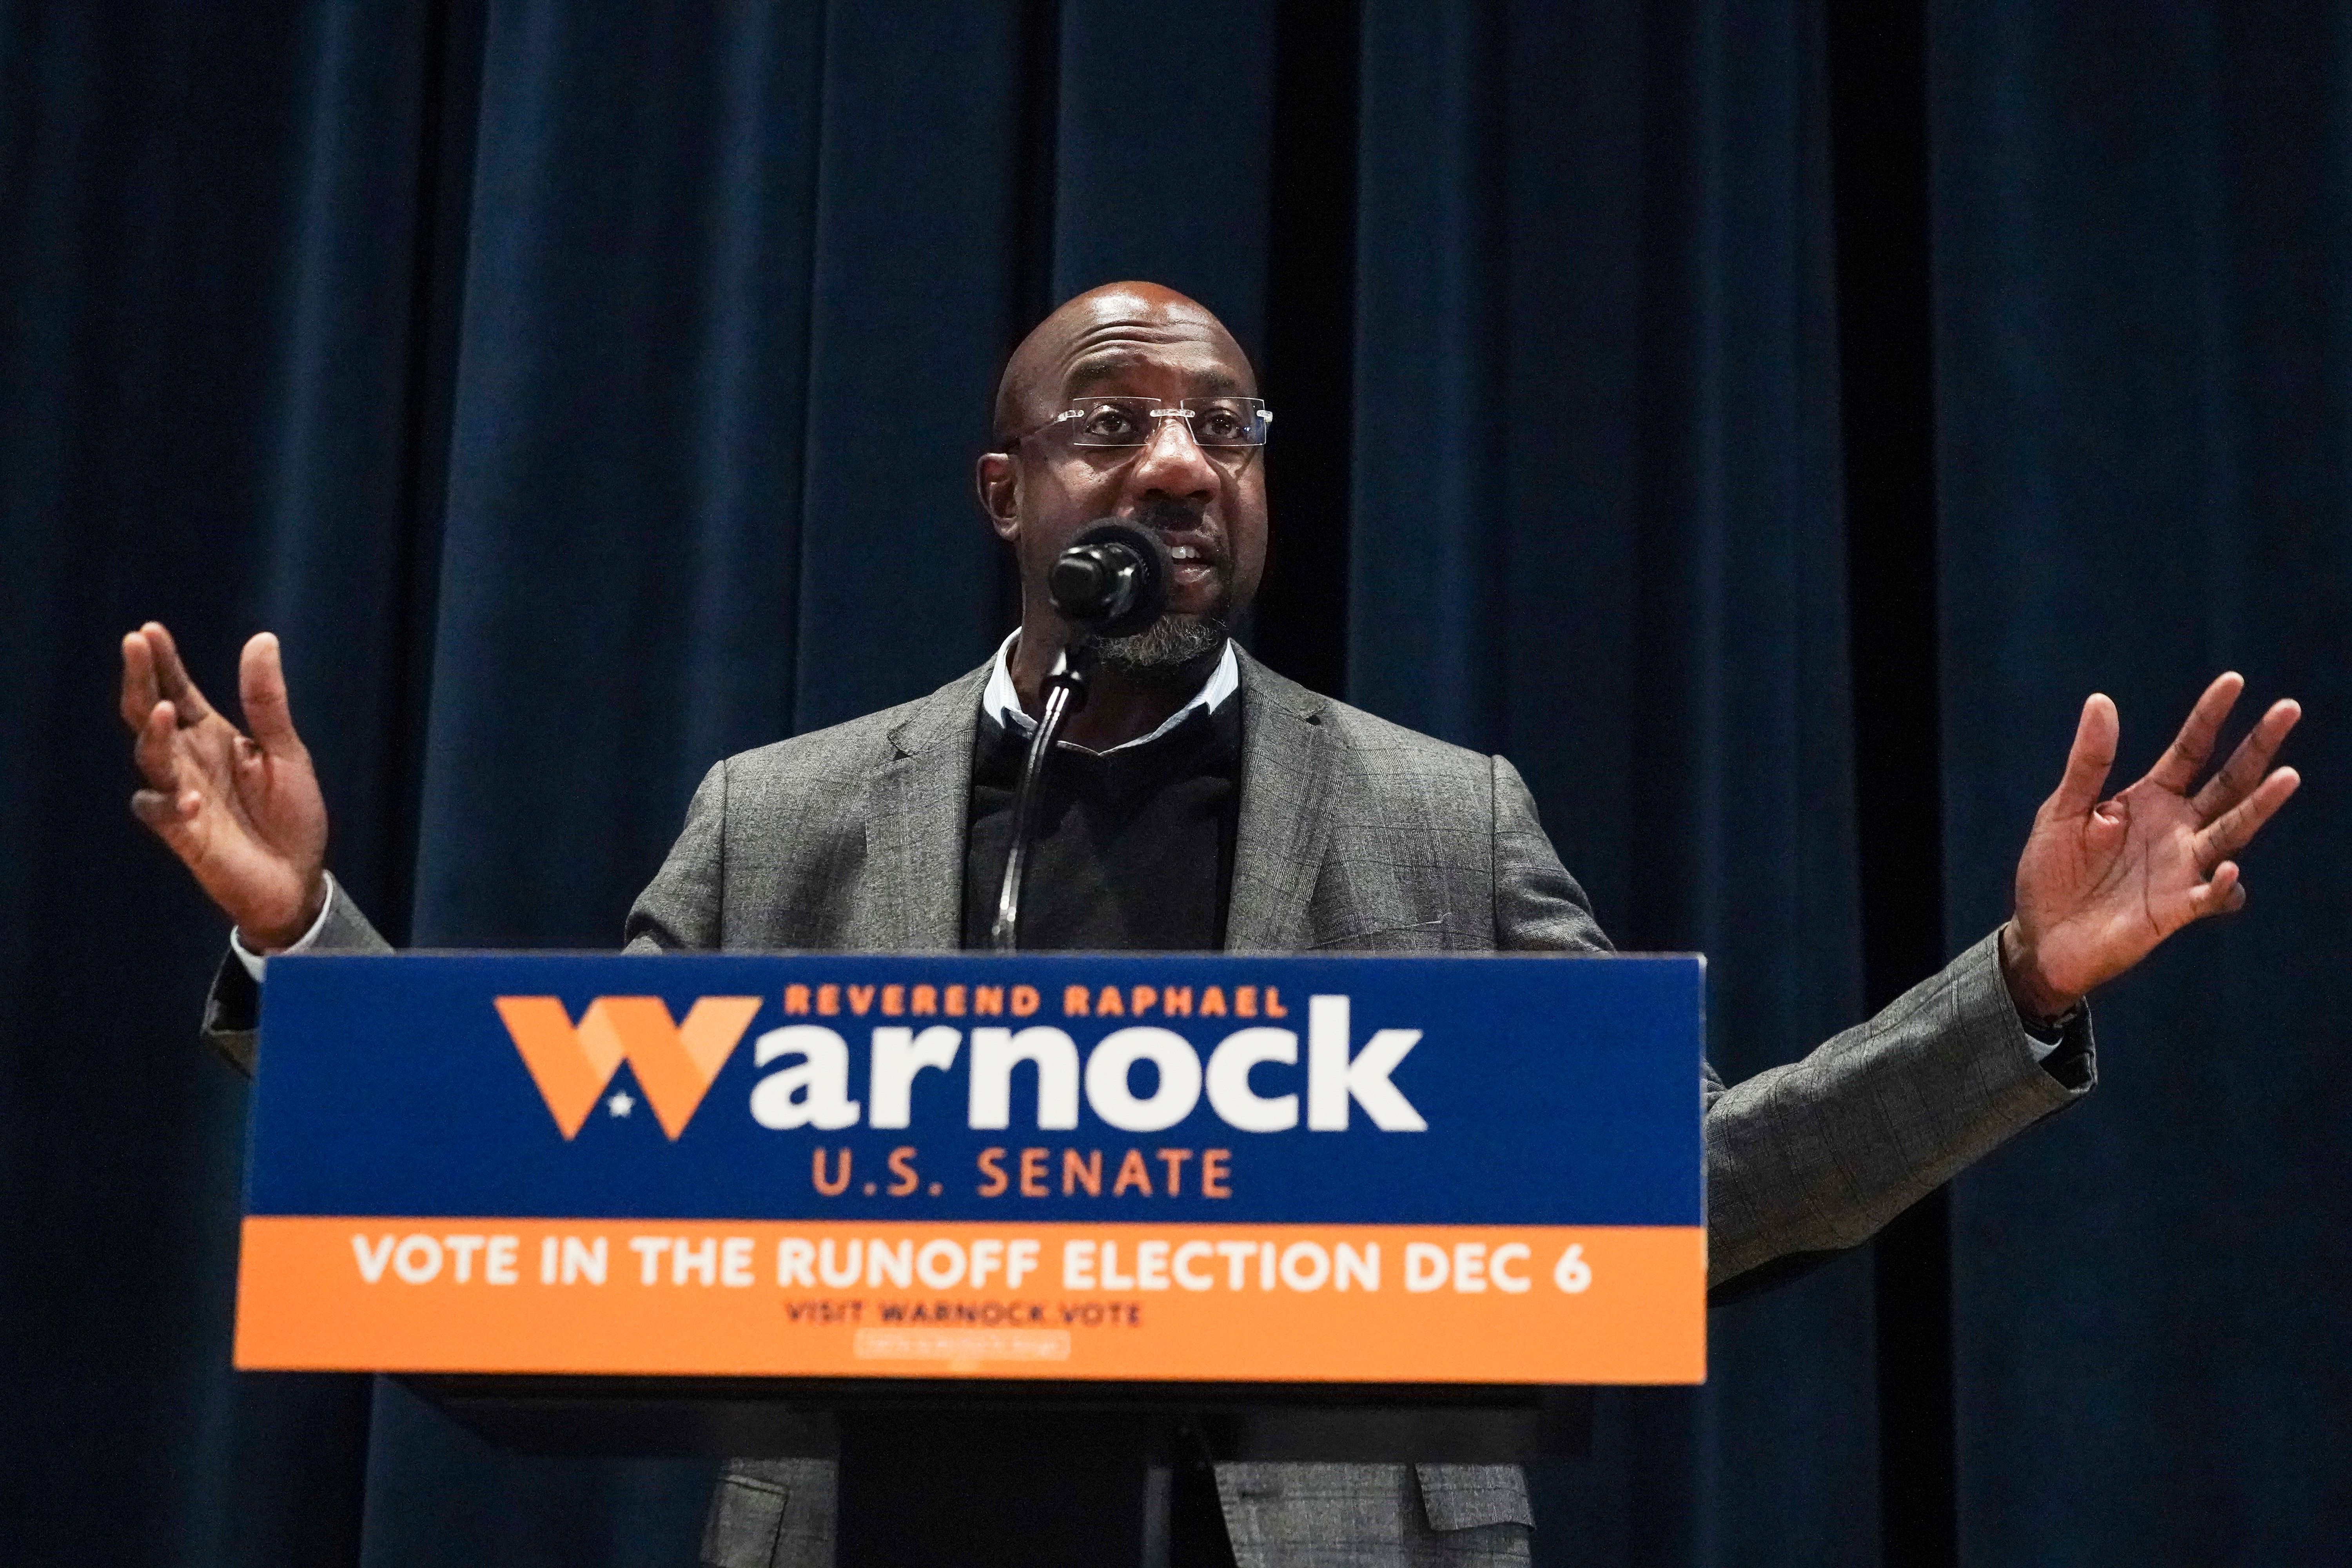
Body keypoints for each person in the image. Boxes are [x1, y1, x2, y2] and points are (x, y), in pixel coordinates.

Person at [120, 283, 2303, 1568]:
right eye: (1111, 427)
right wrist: (311, 939)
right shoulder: (777, 824)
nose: (1177, 466)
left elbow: (1688, 1190)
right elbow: (557, 1203)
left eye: (1221, 431)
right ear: (1008, 498)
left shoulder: (1446, 823)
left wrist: (2011, 991)